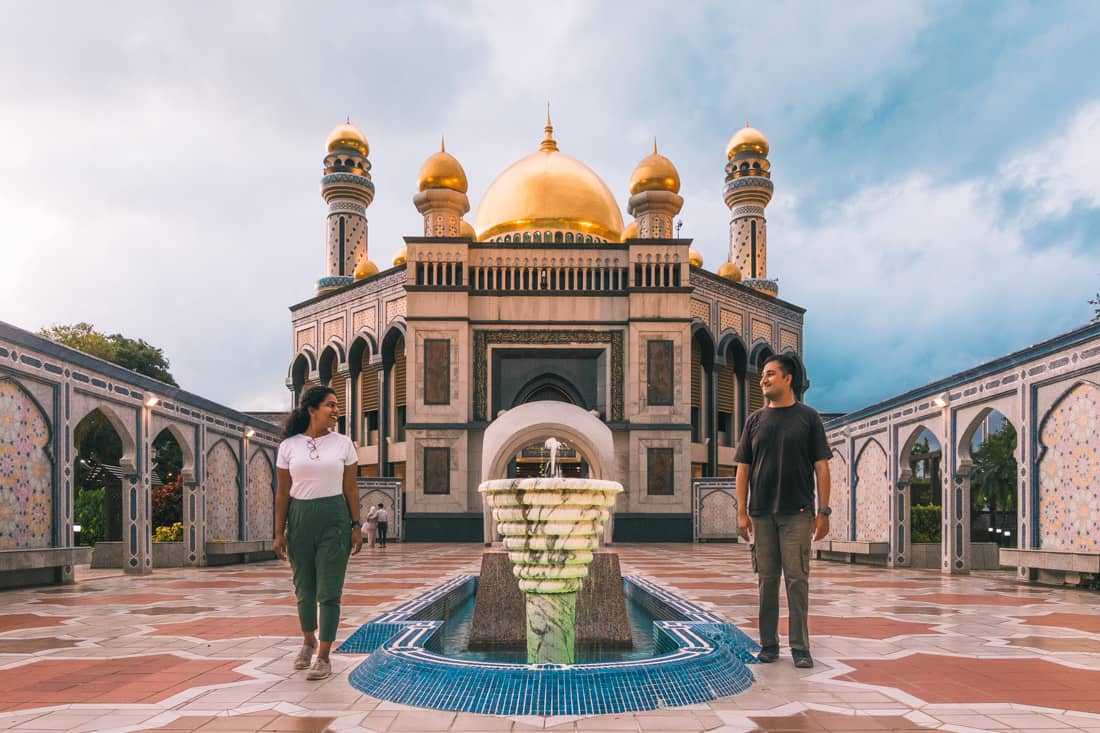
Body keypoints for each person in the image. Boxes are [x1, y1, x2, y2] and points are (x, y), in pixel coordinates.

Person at [734, 353, 831, 669]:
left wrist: (823, 512)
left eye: (771, 374)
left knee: (797, 580)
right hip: (761, 514)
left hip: (797, 513)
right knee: (766, 580)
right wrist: (741, 512)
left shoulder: (808, 417)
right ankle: (768, 645)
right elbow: (743, 469)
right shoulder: (755, 421)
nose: (763, 379)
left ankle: (800, 648)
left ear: (788, 378)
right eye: (763, 374)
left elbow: (821, 467)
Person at [274, 386, 363, 681]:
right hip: (299, 519)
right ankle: (308, 641)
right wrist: (279, 531)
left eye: (337, 405)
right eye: (330, 405)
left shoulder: (344, 444)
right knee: (304, 588)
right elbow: (283, 493)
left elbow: (351, 488)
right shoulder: (289, 446)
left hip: (334, 519)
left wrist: (356, 525)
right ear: (312, 409)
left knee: (329, 590)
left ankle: (324, 656)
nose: (336, 410)